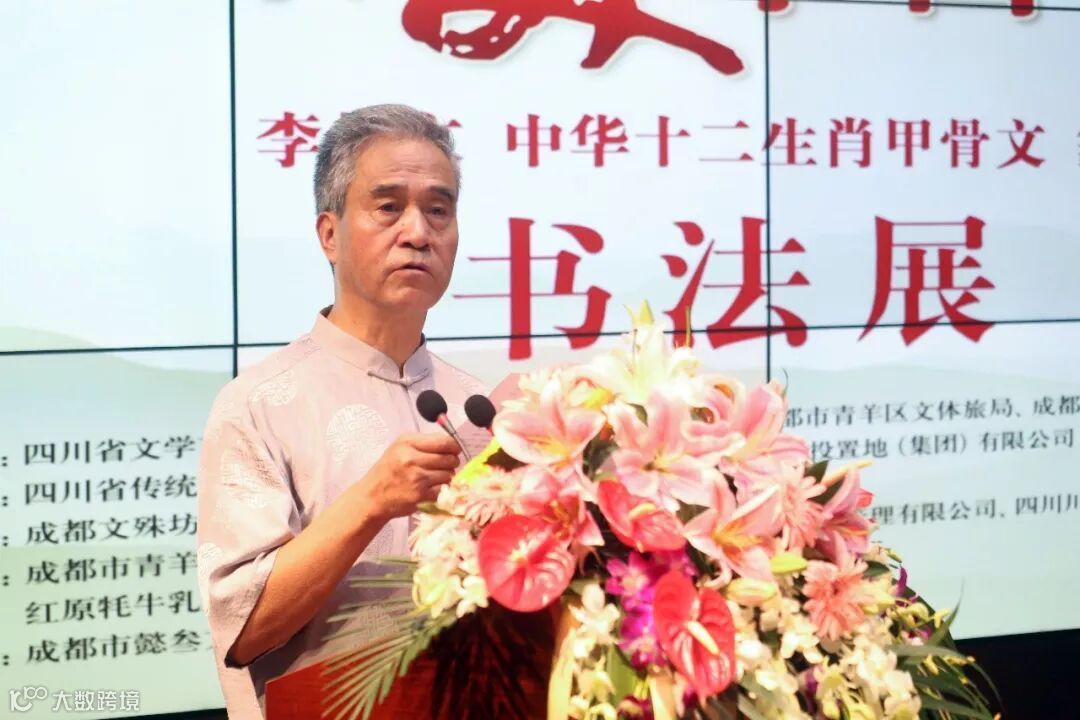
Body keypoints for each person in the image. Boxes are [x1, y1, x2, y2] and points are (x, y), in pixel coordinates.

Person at [195, 104, 487, 719]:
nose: (418, 232)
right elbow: (242, 630)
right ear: (329, 234)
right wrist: (372, 500)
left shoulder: (478, 406)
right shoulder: (260, 403)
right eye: (389, 207)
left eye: (439, 210)